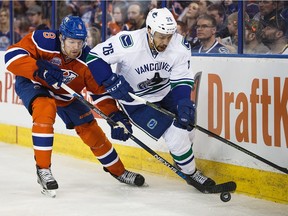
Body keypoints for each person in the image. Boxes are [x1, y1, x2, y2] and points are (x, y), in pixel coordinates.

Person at [4, 15, 145, 196]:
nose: (76, 47)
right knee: (45, 108)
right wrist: (39, 69)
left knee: (90, 128)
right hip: (34, 83)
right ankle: (43, 170)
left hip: (65, 94)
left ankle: (119, 171)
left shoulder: (88, 59)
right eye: (71, 42)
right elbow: (10, 56)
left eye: (80, 42)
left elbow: (99, 93)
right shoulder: (43, 39)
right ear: (61, 37)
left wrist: (114, 115)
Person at [86, 7, 216, 187]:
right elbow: (94, 57)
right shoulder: (128, 43)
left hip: (165, 93)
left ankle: (182, 159)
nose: (165, 41)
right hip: (136, 101)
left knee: (188, 127)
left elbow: (181, 79)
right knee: (175, 134)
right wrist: (110, 80)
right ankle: (192, 174)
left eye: (169, 36)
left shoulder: (178, 45)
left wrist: (183, 101)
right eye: (161, 36)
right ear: (149, 30)